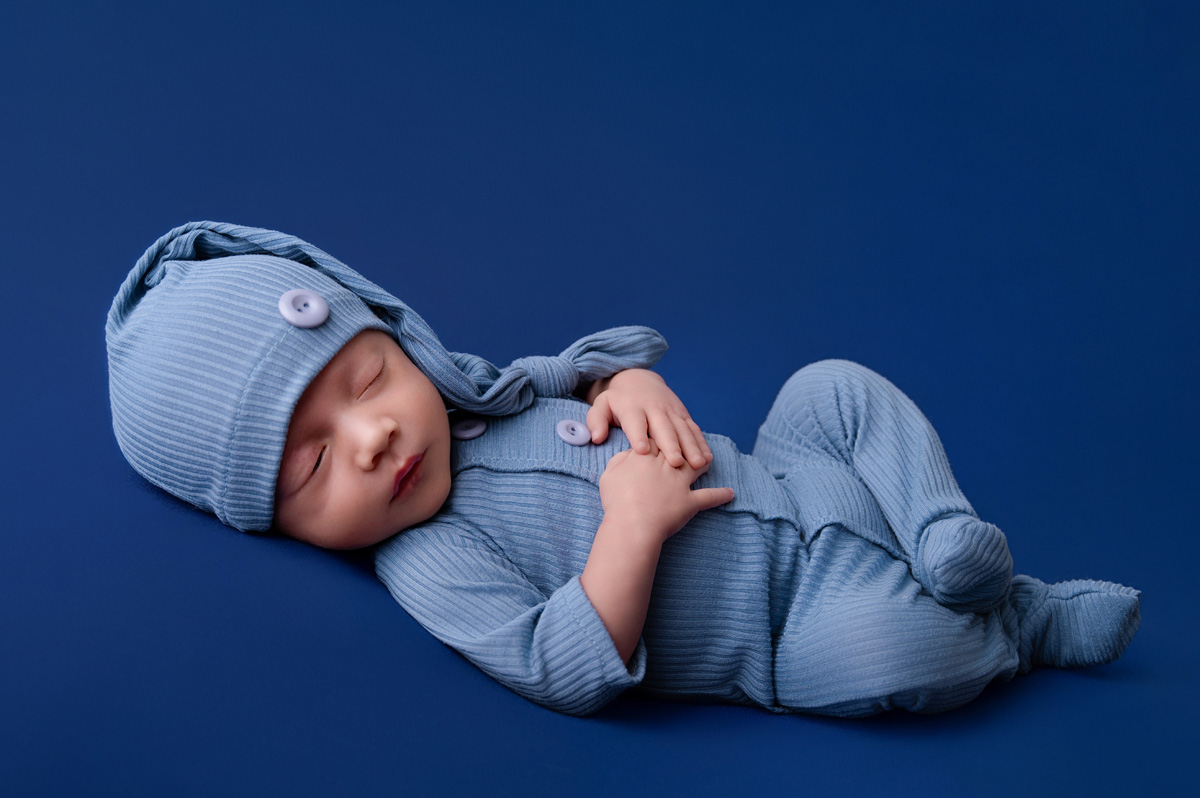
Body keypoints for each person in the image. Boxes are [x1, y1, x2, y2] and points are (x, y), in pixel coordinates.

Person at [107, 222, 1141, 717]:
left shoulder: (488, 398)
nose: (372, 436)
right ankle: (1024, 623)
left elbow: (616, 345)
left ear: (401, 339)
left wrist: (616, 386)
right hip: (788, 625)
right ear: (269, 523)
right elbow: (556, 668)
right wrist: (631, 529)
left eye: (369, 378)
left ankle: (938, 528)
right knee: (891, 651)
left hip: (790, 471)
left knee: (833, 387)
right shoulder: (430, 560)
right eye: (313, 464)